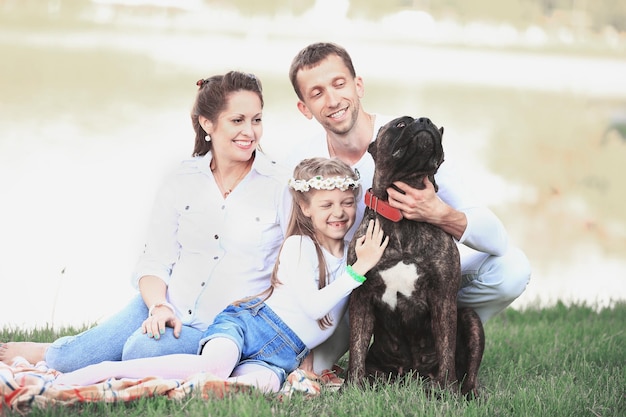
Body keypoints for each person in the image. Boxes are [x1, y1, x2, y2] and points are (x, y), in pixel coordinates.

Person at [0, 71, 293, 374]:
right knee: (67, 362)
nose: (250, 131)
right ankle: (54, 351)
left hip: (222, 331)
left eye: (256, 120)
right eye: (238, 120)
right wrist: (159, 306)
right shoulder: (181, 179)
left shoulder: (280, 185)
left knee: (140, 350)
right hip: (162, 303)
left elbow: (297, 271)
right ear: (208, 123)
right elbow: (155, 259)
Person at [287, 42, 532, 374]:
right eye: (317, 93)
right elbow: (282, 241)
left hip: (425, 277)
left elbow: (497, 239)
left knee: (512, 268)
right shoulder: (302, 161)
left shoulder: (408, 139)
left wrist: (439, 212)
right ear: (304, 108)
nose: (332, 100)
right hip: (353, 289)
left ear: (358, 85)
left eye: (339, 84)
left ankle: (440, 340)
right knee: (306, 368)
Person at [55, 157, 389, 392]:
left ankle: (199, 392)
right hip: (250, 326)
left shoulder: (346, 255)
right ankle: (103, 374)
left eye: (346, 203)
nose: (339, 213)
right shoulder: (300, 247)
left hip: (282, 353)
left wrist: (314, 362)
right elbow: (315, 308)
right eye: (326, 205)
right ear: (305, 208)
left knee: (264, 385)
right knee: (214, 366)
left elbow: (337, 321)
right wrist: (360, 268)